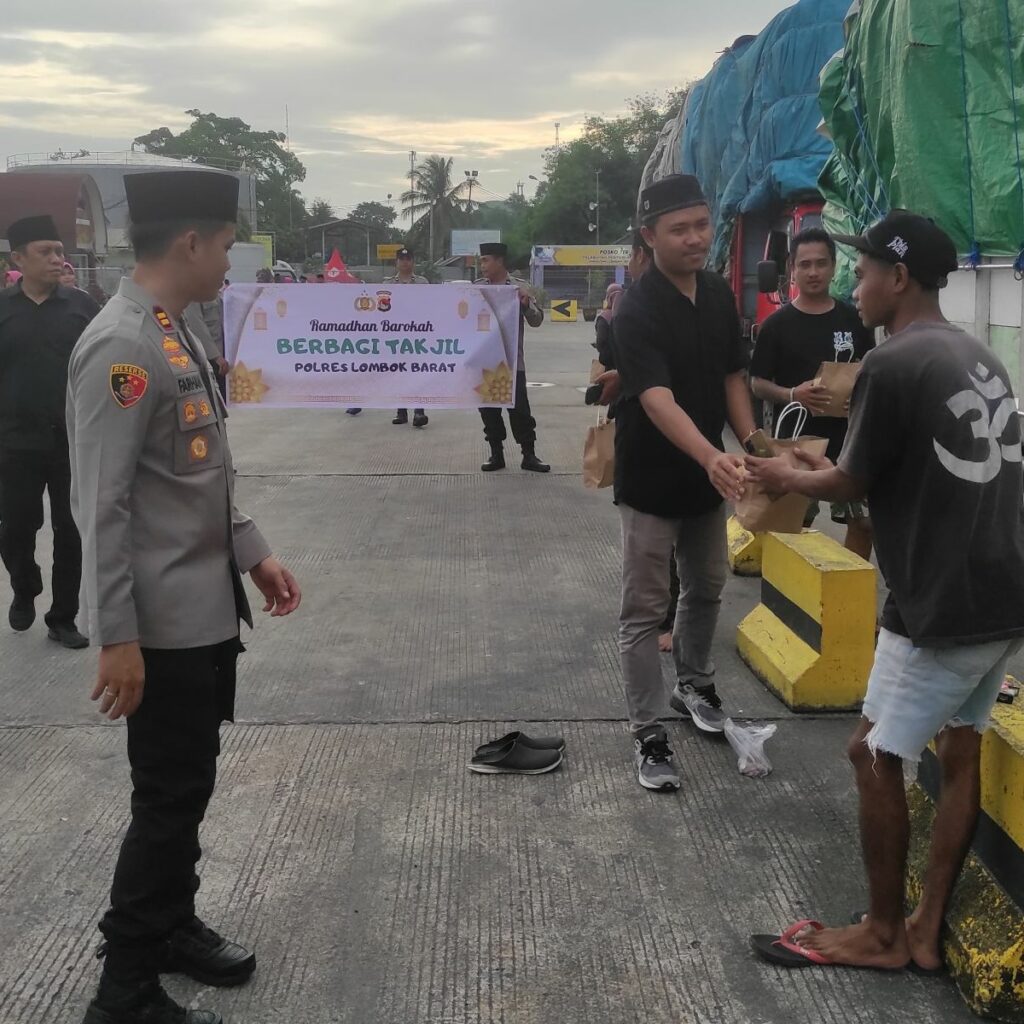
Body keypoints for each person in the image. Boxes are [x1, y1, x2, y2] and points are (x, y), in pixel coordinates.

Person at [745, 211, 1024, 973]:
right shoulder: (977, 355)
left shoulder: (894, 363)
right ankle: (925, 927)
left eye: (863, 272)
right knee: (959, 747)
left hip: (941, 600)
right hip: (1004, 592)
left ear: (898, 278)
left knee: (871, 752)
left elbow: (846, 483)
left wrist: (779, 473)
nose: (852, 286)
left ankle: (880, 933)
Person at [68, 169, 302, 1024]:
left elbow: (196, 475)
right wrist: (115, 636)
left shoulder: (175, 329)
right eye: (228, 245)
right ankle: (124, 984)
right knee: (166, 799)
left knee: (187, 786)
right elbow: (103, 504)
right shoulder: (123, 345)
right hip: (159, 628)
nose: (231, 262)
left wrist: (254, 554)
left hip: (202, 610)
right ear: (192, 243)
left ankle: (169, 924)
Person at [611, 174, 755, 791]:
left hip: (708, 474)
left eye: (702, 224)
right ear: (650, 235)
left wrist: (752, 444)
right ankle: (647, 730)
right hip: (652, 478)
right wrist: (709, 454)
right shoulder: (636, 307)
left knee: (708, 584)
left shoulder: (719, 295)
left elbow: (732, 376)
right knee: (645, 608)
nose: (696, 239)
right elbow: (656, 396)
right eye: (680, 229)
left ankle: (694, 686)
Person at [0, 214, 99, 648]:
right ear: (18, 257)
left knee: (70, 529)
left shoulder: (82, 307)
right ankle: (24, 586)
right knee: (15, 527)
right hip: (14, 441)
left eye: (60, 251)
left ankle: (63, 617)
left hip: (71, 440)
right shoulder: (3, 310)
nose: (58, 259)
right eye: (47, 252)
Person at [750, 228, 875, 557]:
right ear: (792, 268)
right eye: (805, 264)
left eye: (821, 263)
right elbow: (756, 382)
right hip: (797, 448)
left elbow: (869, 372)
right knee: (790, 526)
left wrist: (857, 397)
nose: (814, 272)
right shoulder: (777, 325)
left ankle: (848, 594)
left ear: (834, 266)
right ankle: (789, 598)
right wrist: (793, 394)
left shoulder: (855, 319)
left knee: (863, 524)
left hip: (849, 446)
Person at [476, 242, 549, 472]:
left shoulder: (519, 288)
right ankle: (496, 454)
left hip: (512, 361)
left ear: (499, 261)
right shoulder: (477, 289)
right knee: (489, 411)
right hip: (486, 361)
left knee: (520, 411)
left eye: (486, 260)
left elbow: (537, 320)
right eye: (481, 261)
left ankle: (529, 455)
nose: (482, 266)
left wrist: (526, 305)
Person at [384, 246, 429, 428]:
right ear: (396, 262)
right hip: (395, 335)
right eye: (401, 259)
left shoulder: (423, 283)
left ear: (413, 262)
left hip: (418, 334)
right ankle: (401, 411)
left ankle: (419, 411)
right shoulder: (387, 285)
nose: (405, 262)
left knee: (418, 371)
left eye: (408, 259)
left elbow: (430, 306)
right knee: (398, 373)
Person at [593, 282, 622, 365]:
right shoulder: (628, 313)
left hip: (609, 361)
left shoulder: (604, 317)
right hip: (627, 362)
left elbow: (601, 341)